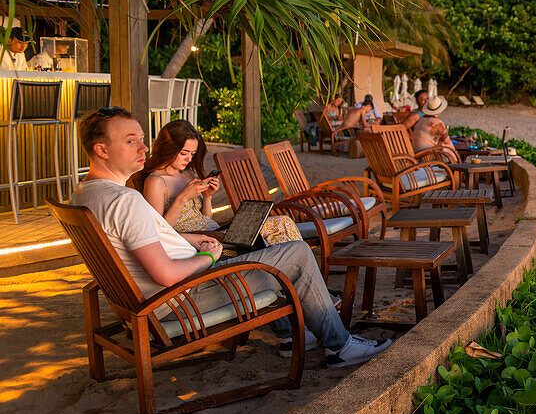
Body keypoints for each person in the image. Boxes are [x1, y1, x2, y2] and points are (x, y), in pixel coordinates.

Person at [71, 107, 388, 366]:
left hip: (149, 300)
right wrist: (207, 256)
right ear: (102, 149)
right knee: (297, 254)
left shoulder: (86, 194)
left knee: (262, 250)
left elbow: (155, 237)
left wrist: (197, 241)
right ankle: (339, 345)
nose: (143, 148)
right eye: (131, 141)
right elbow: (165, 274)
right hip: (179, 302)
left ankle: (299, 332)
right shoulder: (125, 200)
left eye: (142, 139)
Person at [131, 120, 302, 245]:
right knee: (280, 225)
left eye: (192, 153)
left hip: (216, 231)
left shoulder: (188, 174)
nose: (189, 159)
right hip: (203, 241)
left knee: (281, 223)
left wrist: (207, 197)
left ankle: (289, 275)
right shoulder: (156, 181)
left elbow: (205, 219)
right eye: (184, 153)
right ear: (168, 148)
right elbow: (158, 232)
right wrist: (182, 197)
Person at [410, 96, 459, 162]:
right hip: (429, 158)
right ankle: (456, 164)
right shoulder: (437, 122)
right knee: (453, 148)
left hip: (418, 156)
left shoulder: (420, 120)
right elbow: (446, 141)